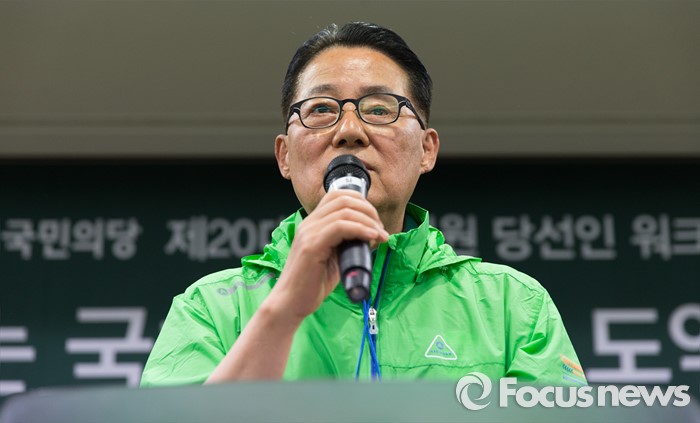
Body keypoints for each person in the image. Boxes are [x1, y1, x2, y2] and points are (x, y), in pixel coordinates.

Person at [140, 22, 586, 386]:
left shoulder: (512, 306)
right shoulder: (211, 308)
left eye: (378, 109)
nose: (349, 131)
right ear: (284, 156)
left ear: (427, 149)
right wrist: (284, 308)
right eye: (321, 109)